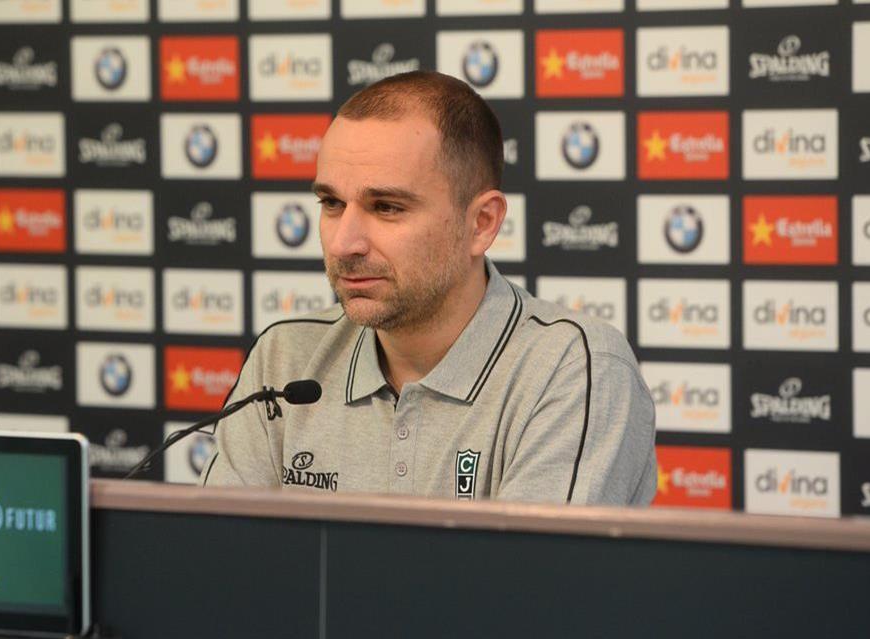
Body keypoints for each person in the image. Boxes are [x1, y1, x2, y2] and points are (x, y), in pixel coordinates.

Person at [199, 71, 656, 504]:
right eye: (332, 203)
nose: (344, 243)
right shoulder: (285, 357)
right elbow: (224, 568)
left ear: (481, 223)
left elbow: (527, 584)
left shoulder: (571, 368)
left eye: (387, 207)